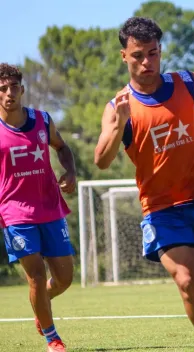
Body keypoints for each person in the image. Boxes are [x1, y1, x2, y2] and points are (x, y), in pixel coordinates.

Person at [94, 17, 194, 347]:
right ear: (124, 56)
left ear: (161, 51)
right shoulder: (118, 107)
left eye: (153, 53)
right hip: (162, 209)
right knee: (186, 280)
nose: (147, 62)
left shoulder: (188, 83)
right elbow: (102, 160)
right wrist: (117, 126)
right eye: (138, 55)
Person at [0, 63, 77, 352]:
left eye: (14, 87)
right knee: (36, 275)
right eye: (3, 88)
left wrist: (70, 171)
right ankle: (52, 338)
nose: (9, 93)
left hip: (50, 207)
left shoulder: (42, 120)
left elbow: (63, 148)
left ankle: (40, 305)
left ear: (22, 89)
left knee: (65, 279)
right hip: (13, 212)